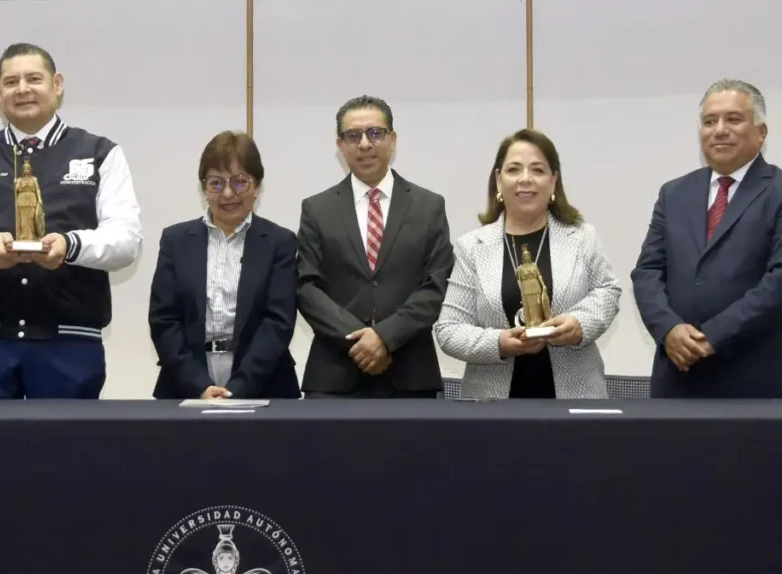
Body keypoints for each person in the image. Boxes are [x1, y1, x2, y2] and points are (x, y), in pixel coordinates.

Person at [0, 42, 142, 399]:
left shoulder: (99, 153)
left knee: (65, 453)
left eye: (34, 79)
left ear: (57, 84)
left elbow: (126, 240)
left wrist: (70, 246)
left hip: (71, 343)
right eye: (11, 82)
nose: (22, 89)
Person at [433, 129, 621, 399]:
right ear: (499, 180)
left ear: (553, 181)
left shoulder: (582, 237)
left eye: (538, 170)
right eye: (513, 169)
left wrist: (579, 324)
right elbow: (449, 330)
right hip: (491, 404)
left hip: (576, 399)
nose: (525, 179)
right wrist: (499, 343)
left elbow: (607, 292)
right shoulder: (472, 247)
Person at [632, 79, 782, 398]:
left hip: (754, 379)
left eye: (734, 119)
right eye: (709, 121)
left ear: (762, 132)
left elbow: (778, 280)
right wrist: (669, 329)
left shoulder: (777, 191)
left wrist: (710, 337)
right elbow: (647, 272)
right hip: (677, 377)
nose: (719, 130)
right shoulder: (674, 193)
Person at [296, 95, 453, 398]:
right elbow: (307, 288)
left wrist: (385, 337)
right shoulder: (317, 209)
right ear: (340, 145)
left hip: (410, 373)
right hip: (334, 376)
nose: (365, 144)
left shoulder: (428, 206)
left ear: (392, 139)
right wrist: (360, 341)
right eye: (353, 136)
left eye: (375, 133)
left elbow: (436, 285)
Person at [148, 131, 300, 399]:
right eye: (216, 183)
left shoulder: (280, 242)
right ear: (204, 189)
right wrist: (198, 384)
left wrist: (238, 388)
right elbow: (164, 320)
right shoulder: (176, 240)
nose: (228, 193)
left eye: (240, 182)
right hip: (185, 382)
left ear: (257, 185)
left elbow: (278, 322)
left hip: (264, 383)